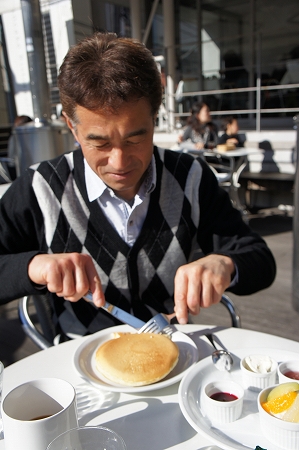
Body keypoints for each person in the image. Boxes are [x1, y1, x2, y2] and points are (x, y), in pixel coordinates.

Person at [0, 32, 276, 340]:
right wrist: (32, 267)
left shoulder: (190, 177)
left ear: (155, 118)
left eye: (135, 139)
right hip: (79, 362)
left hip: (171, 354)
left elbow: (260, 260)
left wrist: (225, 264)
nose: (119, 163)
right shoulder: (40, 188)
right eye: (99, 143)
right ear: (71, 126)